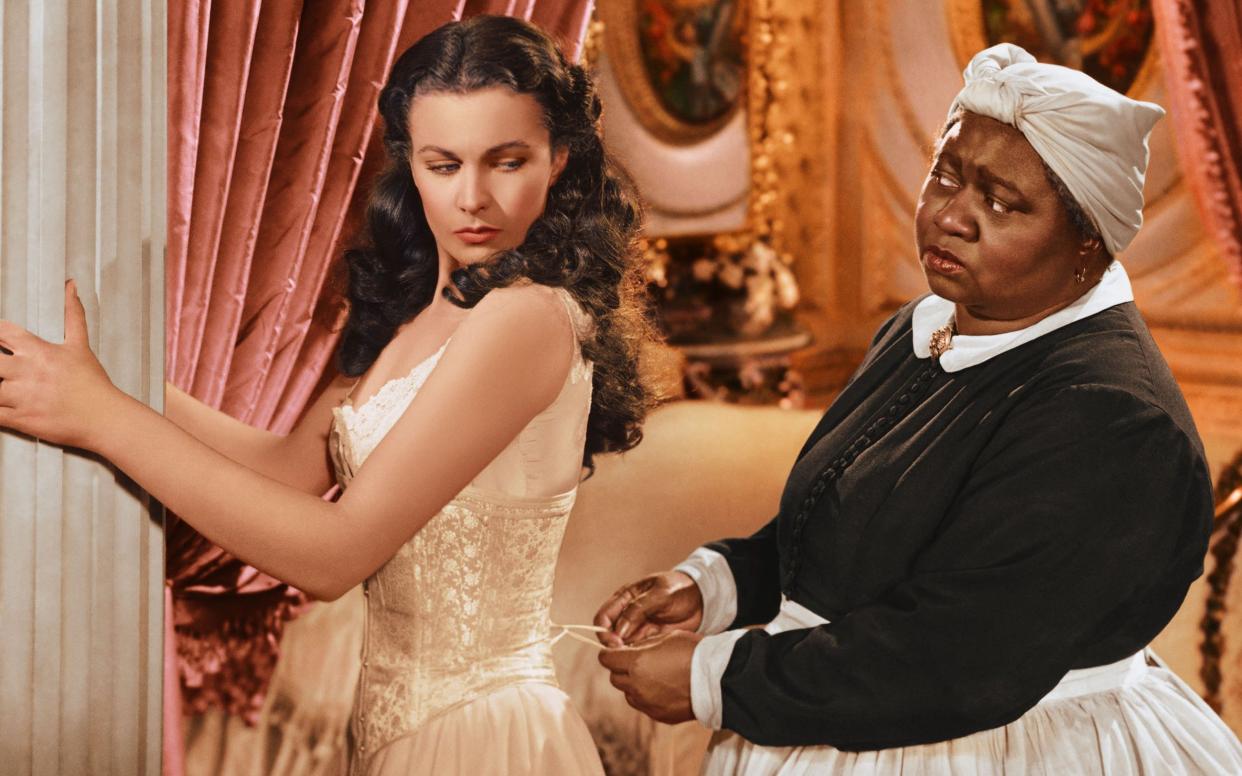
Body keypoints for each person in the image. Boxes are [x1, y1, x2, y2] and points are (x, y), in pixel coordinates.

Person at [0, 15, 655, 775]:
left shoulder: (528, 317)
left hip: (486, 738)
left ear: (559, 158)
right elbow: (283, 470)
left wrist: (100, 416)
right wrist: (125, 383)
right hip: (394, 735)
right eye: (444, 165)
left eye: (507, 162)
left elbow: (333, 555)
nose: (474, 198)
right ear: (410, 164)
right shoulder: (419, 310)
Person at [595, 43, 1242, 774]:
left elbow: (957, 658)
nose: (951, 216)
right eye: (947, 174)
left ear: (1088, 240)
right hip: (846, 712)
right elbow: (862, 527)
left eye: (1001, 202)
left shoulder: (1113, 421)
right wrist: (718, 585)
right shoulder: (927, 326)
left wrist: (715, 679)